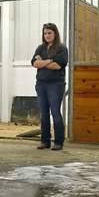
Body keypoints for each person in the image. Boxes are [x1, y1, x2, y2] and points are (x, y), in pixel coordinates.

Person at [32, 23, 69, 151]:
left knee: (55, 112)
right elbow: (35, 63)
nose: (47, 35)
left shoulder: (61, 48)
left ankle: (58, 142)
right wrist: (49, 60)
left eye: (49, 33)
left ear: (55, 33)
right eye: (45, 33)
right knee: (43, 114)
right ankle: (45, 141)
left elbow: (58, 66)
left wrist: (42, 61)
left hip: (56, 84)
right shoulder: (40, 48)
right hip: (41, 84)